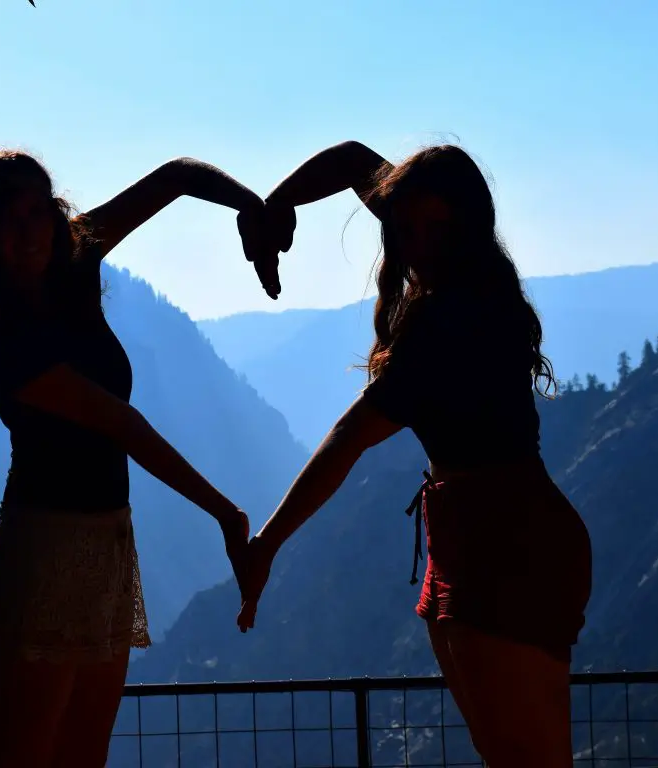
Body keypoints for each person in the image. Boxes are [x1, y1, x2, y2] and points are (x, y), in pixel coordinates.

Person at [235, 141, 593, 768]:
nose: (419, 245)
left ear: (467, 227)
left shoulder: (446, 322)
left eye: (437, 229)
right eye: (405, 229)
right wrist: (276, 207)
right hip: (485, 535)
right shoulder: (473, 283)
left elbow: (348, 438)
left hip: (504, 547)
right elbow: (352, 162)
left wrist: (267, 543)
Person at [0, 149, 275, 767]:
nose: (27, 232)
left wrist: (251, 208)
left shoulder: (74, 260)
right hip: (42, 555)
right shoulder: (1, 337)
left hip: (111, 547)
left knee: (85, 757)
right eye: (8, 222)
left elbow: (176, 176)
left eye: (35, 213)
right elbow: (120, 424)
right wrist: (225, 513)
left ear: (53, 215)